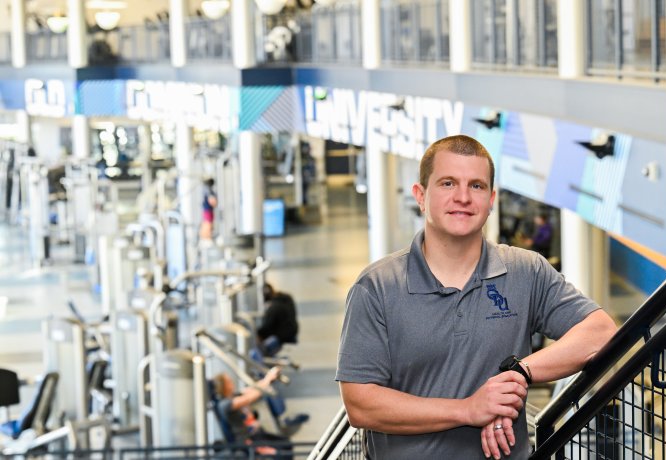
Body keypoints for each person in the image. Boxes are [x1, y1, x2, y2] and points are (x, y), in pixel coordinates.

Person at [336, 135, 618, 459]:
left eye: (476, 186)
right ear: (421, 195)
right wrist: (468, 410)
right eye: (447, 183)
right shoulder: (377, 287)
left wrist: (519, 374)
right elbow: (360, 404)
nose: (462, 197)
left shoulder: (525, 271)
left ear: (491, 199)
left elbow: (600, 332)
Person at [211, 367, 289, 456]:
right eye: (228, 381)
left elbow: (254, 388)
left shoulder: (234, 396)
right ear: (223, 386)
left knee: (286, 443)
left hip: (253, 435)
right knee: (283, 454)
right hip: (246, 441)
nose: (232, 382)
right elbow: (248, 398)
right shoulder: (225, 404)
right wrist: (268, 379)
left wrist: (268, 378)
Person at [258, 283, 299, 357]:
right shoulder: (286, 299)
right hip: (292, 333)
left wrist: (258, 334)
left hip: (281, 337)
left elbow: (267, 327)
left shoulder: (274, 307)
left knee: (261, 349)